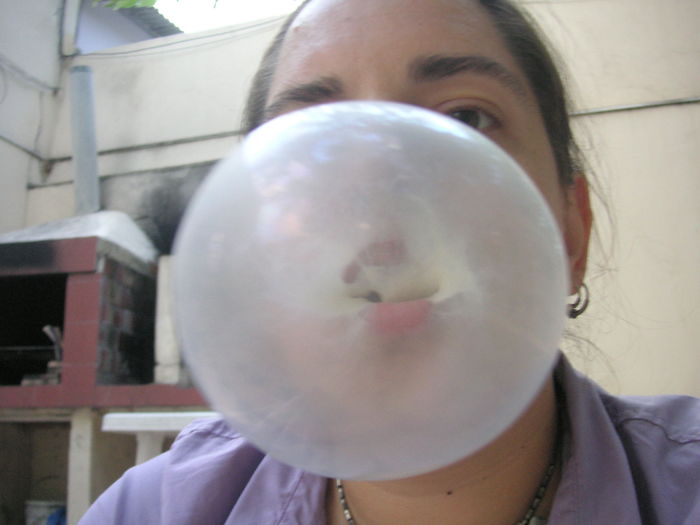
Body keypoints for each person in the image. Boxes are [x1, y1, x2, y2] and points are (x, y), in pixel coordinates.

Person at [79, 1, 700, 524]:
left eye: (465, 118)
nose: (379, 177)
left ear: (569, 232)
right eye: (312, 137)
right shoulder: (146, 512)